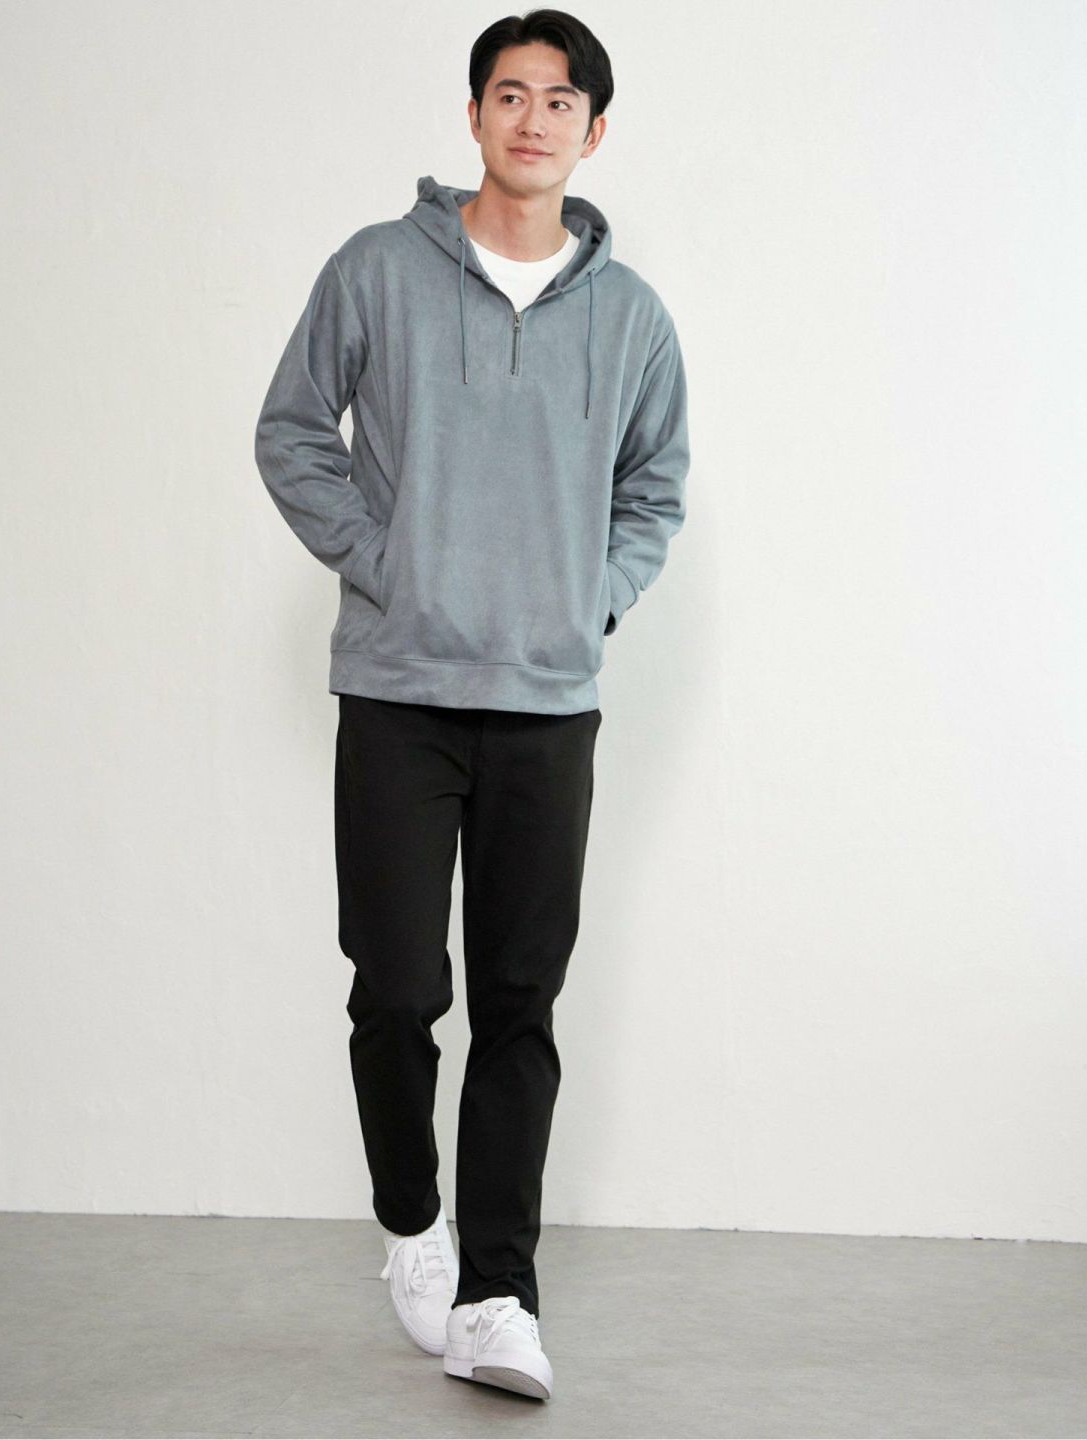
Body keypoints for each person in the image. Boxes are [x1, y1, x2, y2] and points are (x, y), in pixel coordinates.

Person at [254, 7, 689, 1403]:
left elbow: (655, 486)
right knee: (397, 987)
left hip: (549, 703)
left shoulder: (632, 318)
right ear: (475, 115)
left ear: (593, 132)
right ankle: (411, 1220)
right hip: (400, 690)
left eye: (561, 100)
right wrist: (383, 563)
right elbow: (292, 431)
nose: (533, 118)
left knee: (519, 1000)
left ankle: (500, 1292)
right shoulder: (378, 271)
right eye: (511, 93)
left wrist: (591, 598)